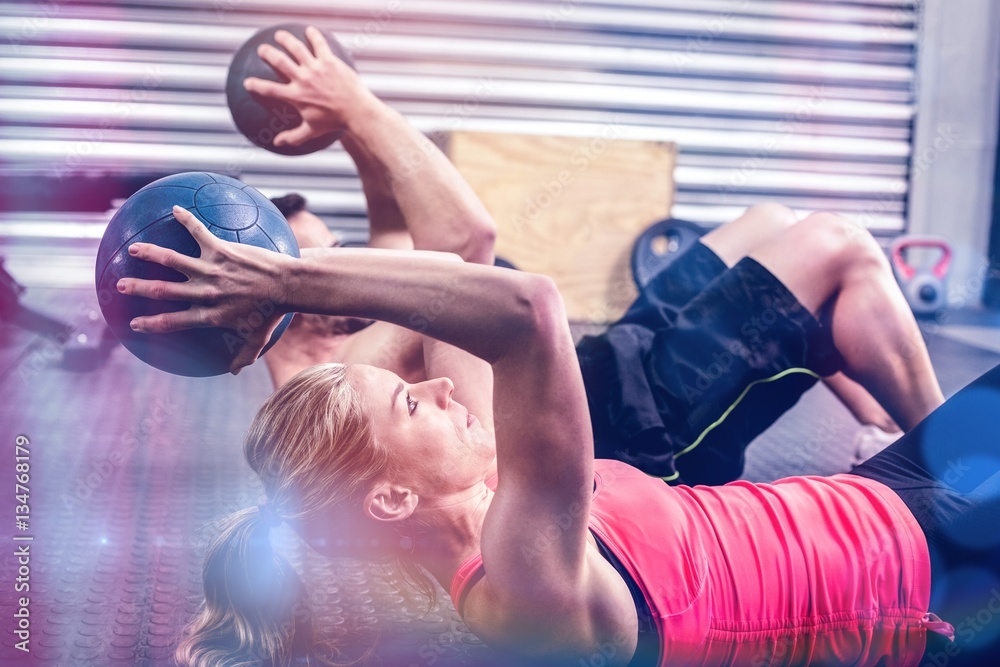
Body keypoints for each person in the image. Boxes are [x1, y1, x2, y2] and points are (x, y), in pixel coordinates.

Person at [121, 199, 998, 667]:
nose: (436, 388)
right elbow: (527, 309)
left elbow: (464, 258)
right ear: (391, 494)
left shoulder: (490, 486)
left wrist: (294, 276)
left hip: (885, 491)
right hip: (941, 573)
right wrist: (288, 278)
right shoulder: (527, 589)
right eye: (411, 405)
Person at [242, 28, 943, 485]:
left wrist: (344, 120)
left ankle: (878, 427)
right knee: (838, 247)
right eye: (318, 259)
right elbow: (460, 246)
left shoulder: (338, 328)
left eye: (335, 245)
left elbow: (392, 217)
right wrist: (357, 104)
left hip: (612, 360)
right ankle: (952, 466)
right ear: (276, 293)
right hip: (635, 434)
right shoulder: (330, 386)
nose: (343, 259)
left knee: (770, 223)